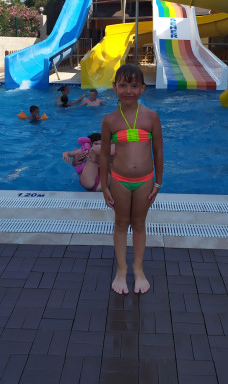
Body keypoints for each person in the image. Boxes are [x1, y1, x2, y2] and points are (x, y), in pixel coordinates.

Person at [100, 64, 163, 295]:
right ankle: (121, 269)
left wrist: (158, 182)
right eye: (123, 85)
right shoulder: (110, 121)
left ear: (143, 89)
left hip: (145, 180)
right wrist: (104, 186)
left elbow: (158, 151)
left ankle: (138, 268)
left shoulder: (151, 117)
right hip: (119, 180)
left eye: (134, 86)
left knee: (138, 224)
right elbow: (104, 155)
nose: (128, 90)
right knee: (120, 223)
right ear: (115, 87)